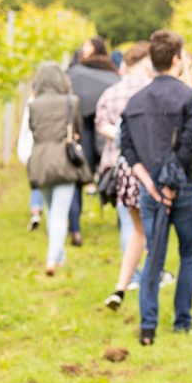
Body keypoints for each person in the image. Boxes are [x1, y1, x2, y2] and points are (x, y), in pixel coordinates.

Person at [120, 30, 192, 345]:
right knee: (189, 254)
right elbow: (189, 146)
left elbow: (127, 149)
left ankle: (148, 326)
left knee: (154, 254)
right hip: (183, 189)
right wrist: (170, 187)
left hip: (150, 189)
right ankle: (182, 322)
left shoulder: (135, 101)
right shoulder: (190, 97)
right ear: (175, 59)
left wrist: (151, 184)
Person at [95, 42, 159, 310]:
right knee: (150, 227)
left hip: (117, 164)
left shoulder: (111, 92)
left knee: (130, 225)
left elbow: (99, 125)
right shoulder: (152, 91)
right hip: (146, 165)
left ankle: (129, 278)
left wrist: (120, 137)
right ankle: (147, 276)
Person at [26, 63, 92, 275]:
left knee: (50, 207)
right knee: (60, 213)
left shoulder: (34, 104)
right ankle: (52, 258)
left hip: (40, 159)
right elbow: (78, 129)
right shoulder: (71, 102)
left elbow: (32, 129)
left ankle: (59, 254)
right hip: (63, 158)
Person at [65, 37, 120, 246]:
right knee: (114, 176)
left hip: (86, 132)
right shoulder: (112, 75)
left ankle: (75, 227)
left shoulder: (76, 74)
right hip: (107, 134)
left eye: (87, 46)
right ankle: (122, 221)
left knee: (76, 179)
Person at [17, 92, 44, 231]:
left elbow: (25, 129)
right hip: (50, 151)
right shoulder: (62, 99)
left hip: (33, 149)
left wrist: (23, 152)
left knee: (36, 183)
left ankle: (35, 211)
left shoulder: (32, 101)